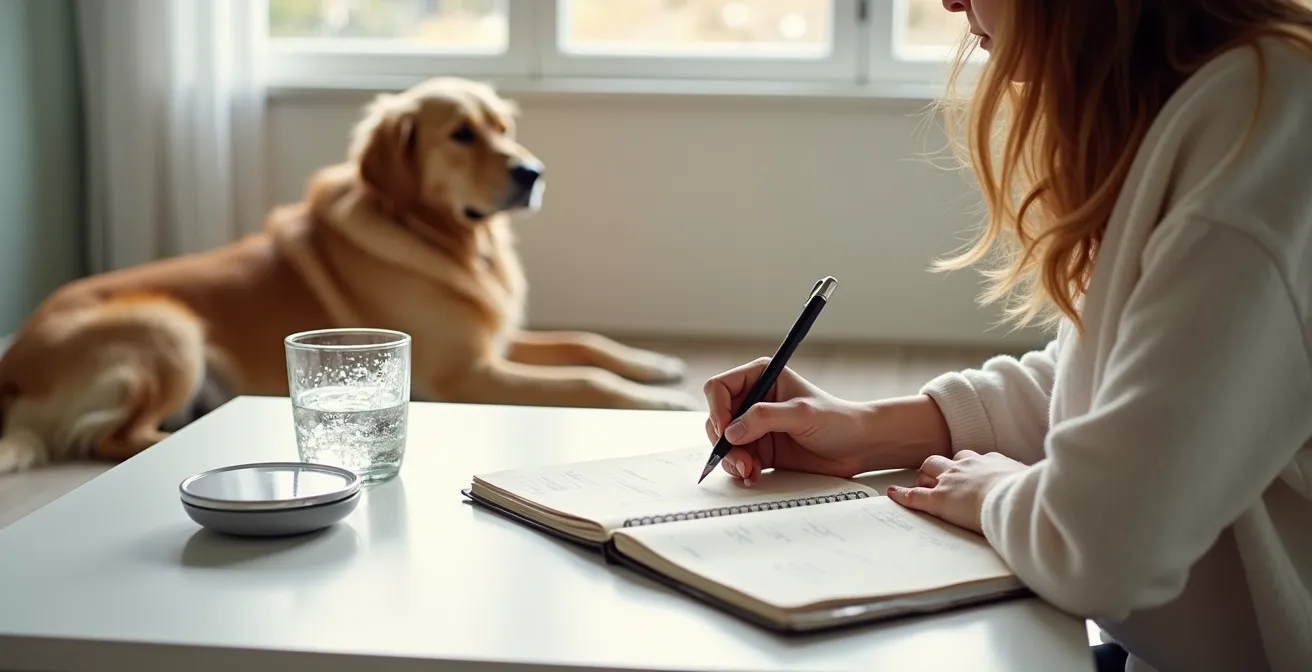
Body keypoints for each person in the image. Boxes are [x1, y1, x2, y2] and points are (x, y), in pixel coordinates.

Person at [701, 1, 1312, 671]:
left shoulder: (1261, 140)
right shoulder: (1211, 100)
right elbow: (1137, 381)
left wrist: (992, 491)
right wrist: (874, 428)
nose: (950, 1)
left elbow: (1099, 550)